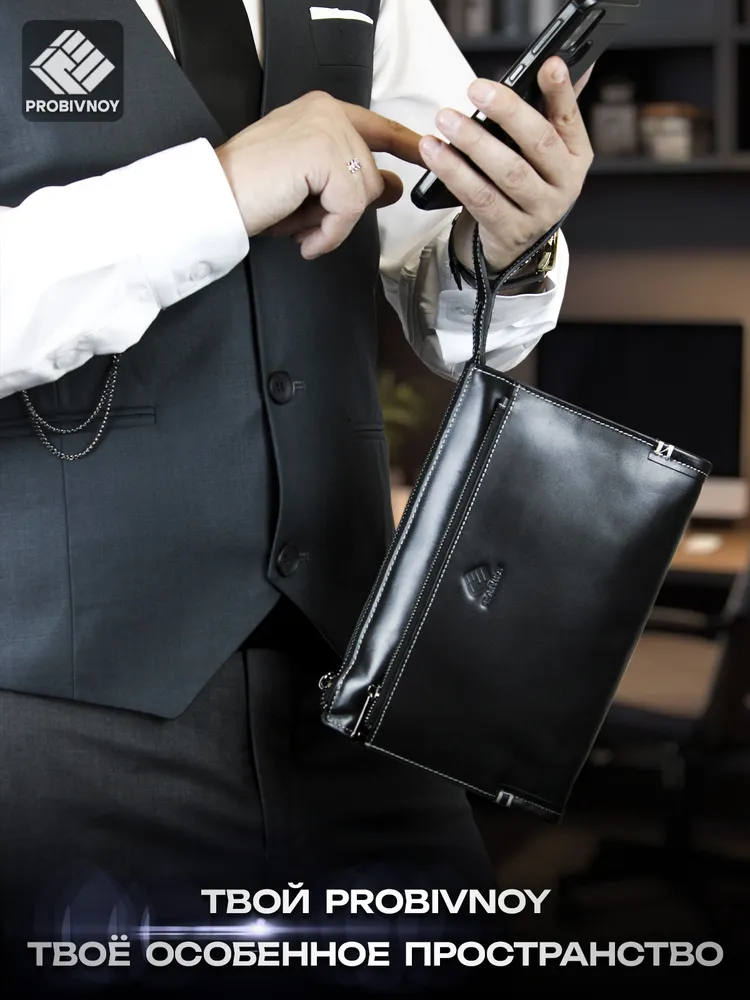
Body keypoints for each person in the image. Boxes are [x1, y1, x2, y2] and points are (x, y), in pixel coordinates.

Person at [0, 0, 593, 994]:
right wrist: (219, 191)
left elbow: (445, 281)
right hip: (60, 710)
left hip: (355, 689)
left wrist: (507, 241)